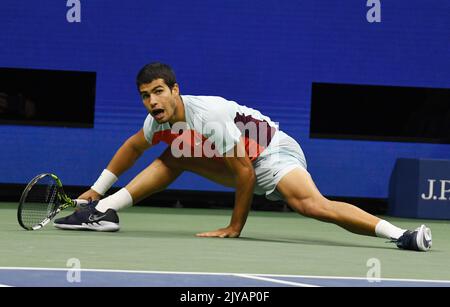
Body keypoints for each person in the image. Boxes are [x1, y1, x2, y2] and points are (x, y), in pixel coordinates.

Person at [54, 62, 432, 252]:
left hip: (272, 152)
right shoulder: (158, 119)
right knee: (175, 155)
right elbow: (134, 146)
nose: (152, 101)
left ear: (175, 90)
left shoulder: (209, 116)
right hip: (241, 157)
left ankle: (403, 236)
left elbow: (245, 174)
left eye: (158, 92)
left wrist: (235, 228)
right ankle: (104, 210)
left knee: (311, 205)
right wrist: (95, 190)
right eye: (144, 95)